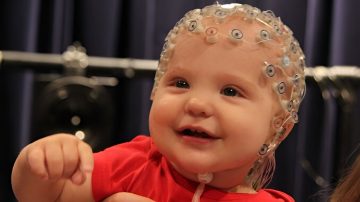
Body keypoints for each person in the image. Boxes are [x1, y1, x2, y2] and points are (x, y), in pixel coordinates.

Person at [11, 3, 306, 202]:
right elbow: (47, 195)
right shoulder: (131, 164)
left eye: (230, 91)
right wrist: (41, 164)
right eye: (180, 83)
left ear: (278, 127)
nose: (197, 103)